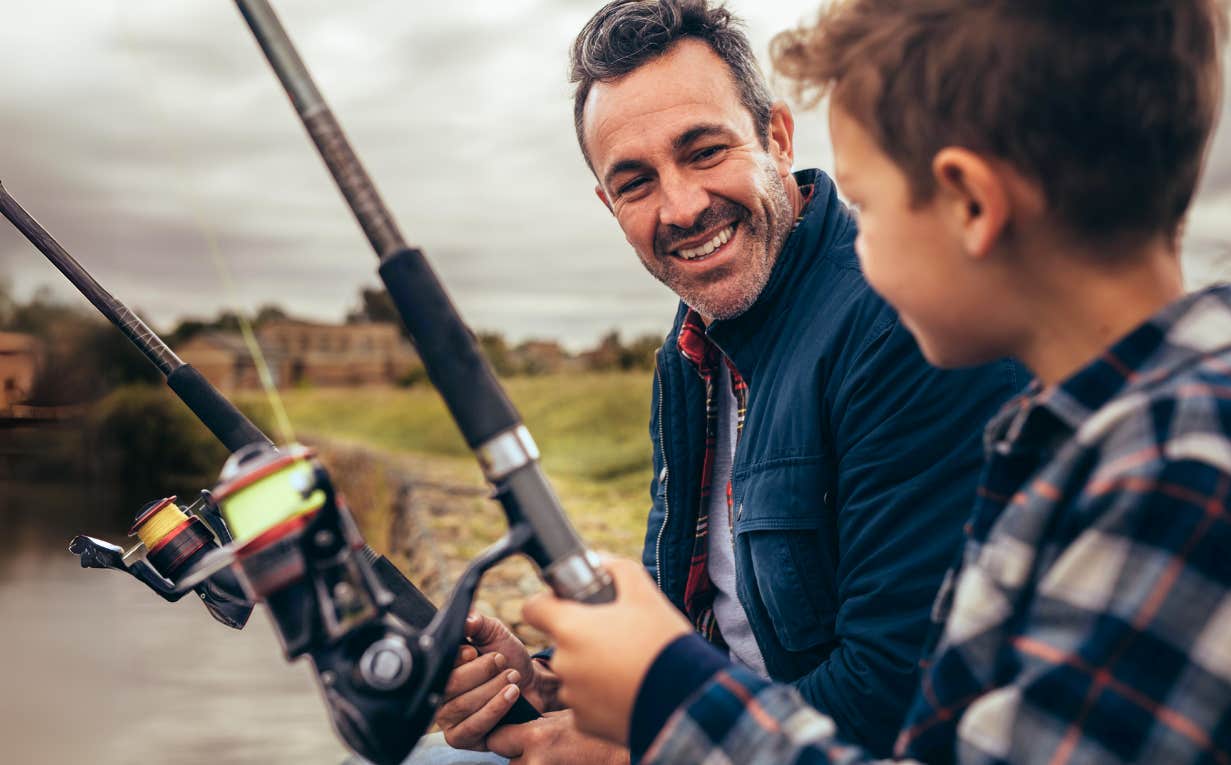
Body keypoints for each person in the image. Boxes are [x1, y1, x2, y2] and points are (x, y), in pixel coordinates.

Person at [520, 1, 1231, 763]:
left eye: (868, 204)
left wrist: (663, 705)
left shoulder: (1195, 471)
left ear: (969, 205)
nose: (857, 251)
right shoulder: (1079, 434)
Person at [408, 1, 1022, 764]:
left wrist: (632, 746)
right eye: (635, 182)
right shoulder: (693, 344)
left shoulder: (906, 325)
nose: (683, 206)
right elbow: (685, 629)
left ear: (777, 137)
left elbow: (894, 693)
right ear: (608, 205)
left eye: (703, 151)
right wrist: (545, 686)